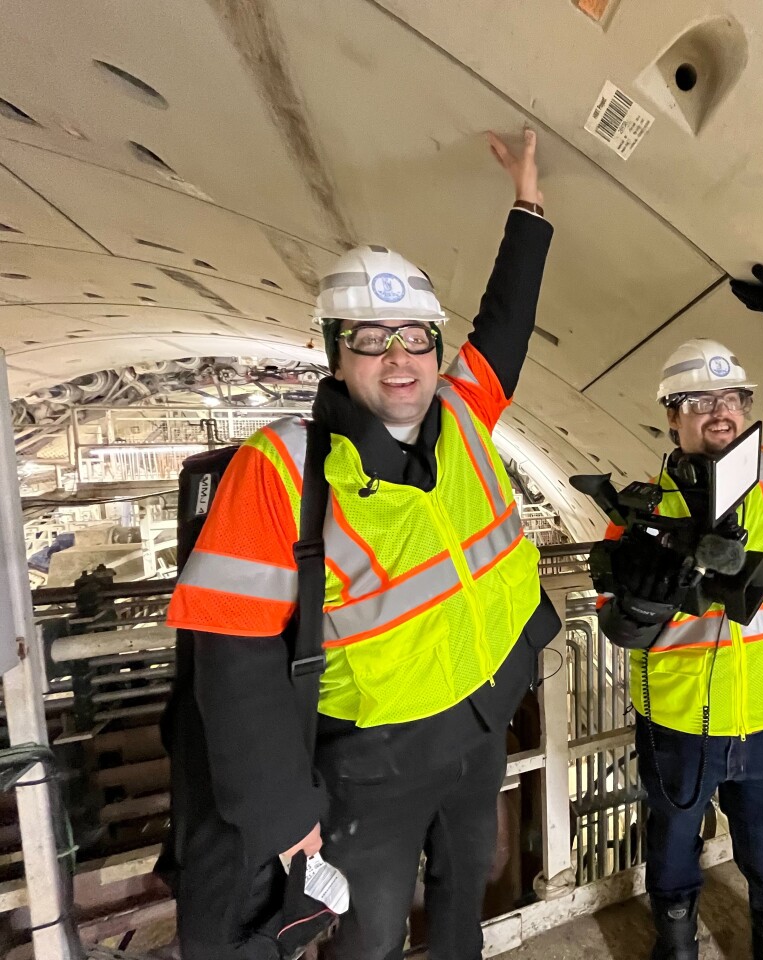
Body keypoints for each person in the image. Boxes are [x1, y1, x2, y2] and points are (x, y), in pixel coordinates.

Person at [164, 128, 560, 960]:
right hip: (369, 768)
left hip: (483, 722)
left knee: (464, 906)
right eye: (372, 339)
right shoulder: (281, 471)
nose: (400, 358)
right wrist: (284, 819)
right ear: (335, 352)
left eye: (415, 336)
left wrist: (529, 202)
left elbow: (509, 322)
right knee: (370, 938)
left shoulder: (462, 415)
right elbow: (232, 668)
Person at [597, 266, 763, 960]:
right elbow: (617, 628)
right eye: (698, 400)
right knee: (674, 843)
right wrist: (644, 600)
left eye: (733, 397)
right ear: (671, 415)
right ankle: (675, 941)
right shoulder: (638, 514)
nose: (720, 409)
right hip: (680, 725)